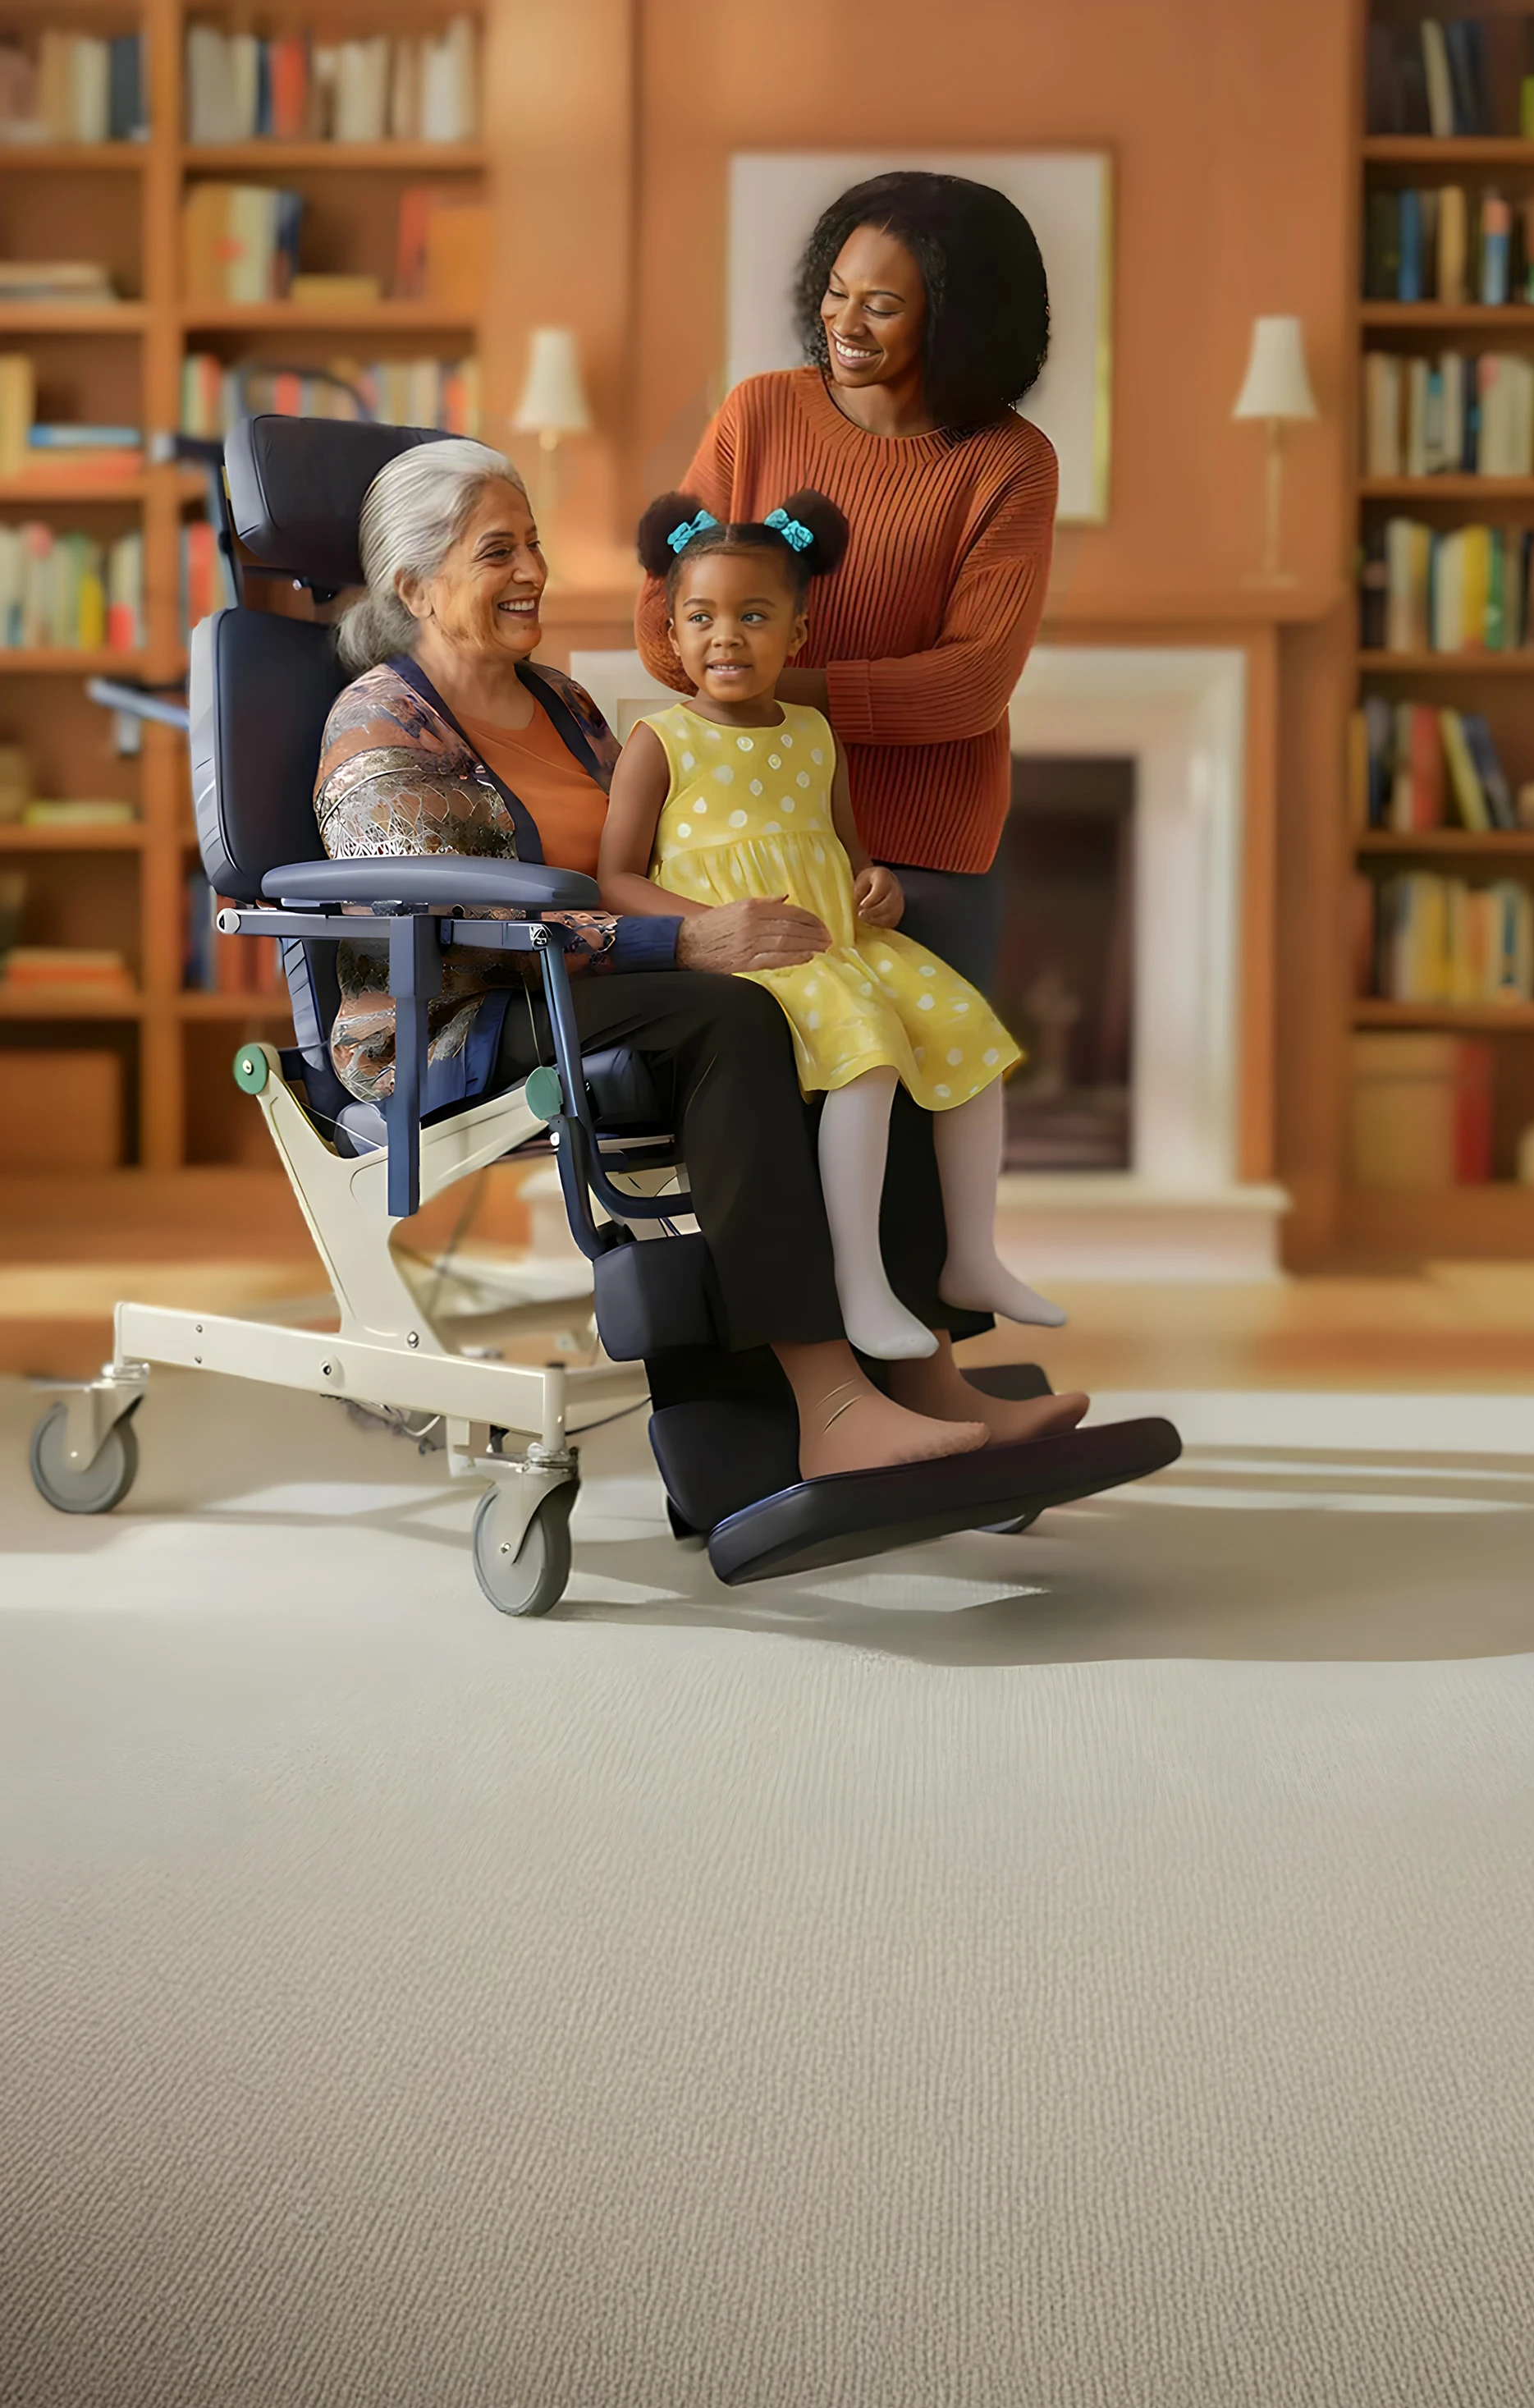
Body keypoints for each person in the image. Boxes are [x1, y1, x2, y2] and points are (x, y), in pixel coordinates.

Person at [314, 435, 1084, 1473]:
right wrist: (681, 938)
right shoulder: (379, 721)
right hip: (467, 1009)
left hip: (606, 973)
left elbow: (663, 853)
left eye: (533, 543)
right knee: (740, 1016)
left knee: (860, 1005)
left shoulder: (568, 706)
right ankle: (829, 1408)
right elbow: (452, 918)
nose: (535, 570)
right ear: (416, 584)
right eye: (500, 551)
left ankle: (926, 1369)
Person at [601, 485, 1062, 1364]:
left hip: (838, 937)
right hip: (754, 945)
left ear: (797, 635)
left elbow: (851, 853)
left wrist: (875, 884)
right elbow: (617, 876)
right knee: (870, 1052)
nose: (725, 636)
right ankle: (859, 1281)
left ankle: (972, 1257)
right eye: (700, 616)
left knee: (971, 1033)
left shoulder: (816, 731)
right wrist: (710, 923)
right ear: (671, 631)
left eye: (753, 615)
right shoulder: (661, 740)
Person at [632, 169, 1057, 994]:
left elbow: (971, 686)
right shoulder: (758, 414)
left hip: (915, 855)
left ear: (957, 322)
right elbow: (660, 625)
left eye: (882, 306)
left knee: (918, 1105)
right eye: (835, 292)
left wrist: (763, 691)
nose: (844, 322)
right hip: (750, 839)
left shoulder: (1011, 461)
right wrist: (763, 686)